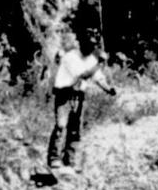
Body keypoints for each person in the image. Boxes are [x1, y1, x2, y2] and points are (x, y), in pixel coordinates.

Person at [47, 30, 116, 171]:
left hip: (78, 96)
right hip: (64, 94)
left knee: (75, 129)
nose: (92, 48)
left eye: (94, 45)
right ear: (82, 42)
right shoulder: (71, 57)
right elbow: (83, 75)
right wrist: (100, 63)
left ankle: (70, 160)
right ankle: (54, 158)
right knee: (61, 125)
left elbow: (97, 77)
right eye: (89, 44)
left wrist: (108, 89)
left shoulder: (91, 59)